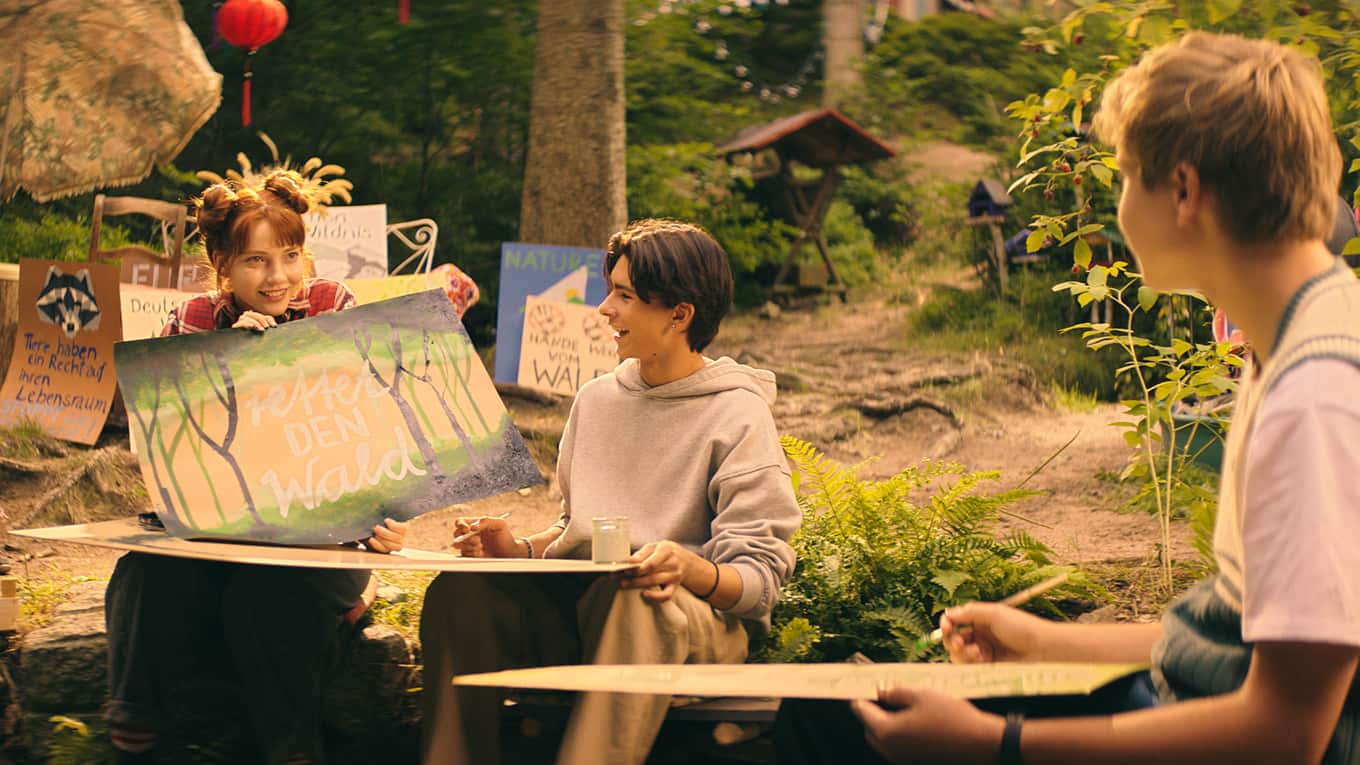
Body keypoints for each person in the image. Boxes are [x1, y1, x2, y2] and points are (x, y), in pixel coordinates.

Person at [776, 31, 1359, 765]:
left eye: (1125, 179)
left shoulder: (1317, 398)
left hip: (1213, 731)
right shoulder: (1298, 333)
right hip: (1184, 700)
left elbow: (1287, 735)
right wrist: (1046, 642)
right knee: (837, 709)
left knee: (834, 730)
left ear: (1183, 191)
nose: (1120, 207)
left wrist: (996, 745)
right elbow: (1236, 641)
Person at [419, 219, 801, 765]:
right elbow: (578, 526)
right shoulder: (597, 400)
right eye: (610, 291)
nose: (604, 309)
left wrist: (686, 567)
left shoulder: (738, 415)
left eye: (624, 295)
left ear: (679, 315)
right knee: (461, 594)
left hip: (685, 624)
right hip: (585, 615)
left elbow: (760, 583)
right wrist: (518, 548)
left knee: (633, 597)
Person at [104, 170, 410, 765]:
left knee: (267, 595)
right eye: (256, 261)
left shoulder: (331, 305)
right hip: (218, 537)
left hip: (318, 542)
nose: (278, 277)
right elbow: (161, 446)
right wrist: (228, 362)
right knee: (144, 574)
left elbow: (374, 423)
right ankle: (133, 726)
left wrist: (387, 517)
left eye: (290, 256)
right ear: (223, 264)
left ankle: (292, 749)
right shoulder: (194, 318)